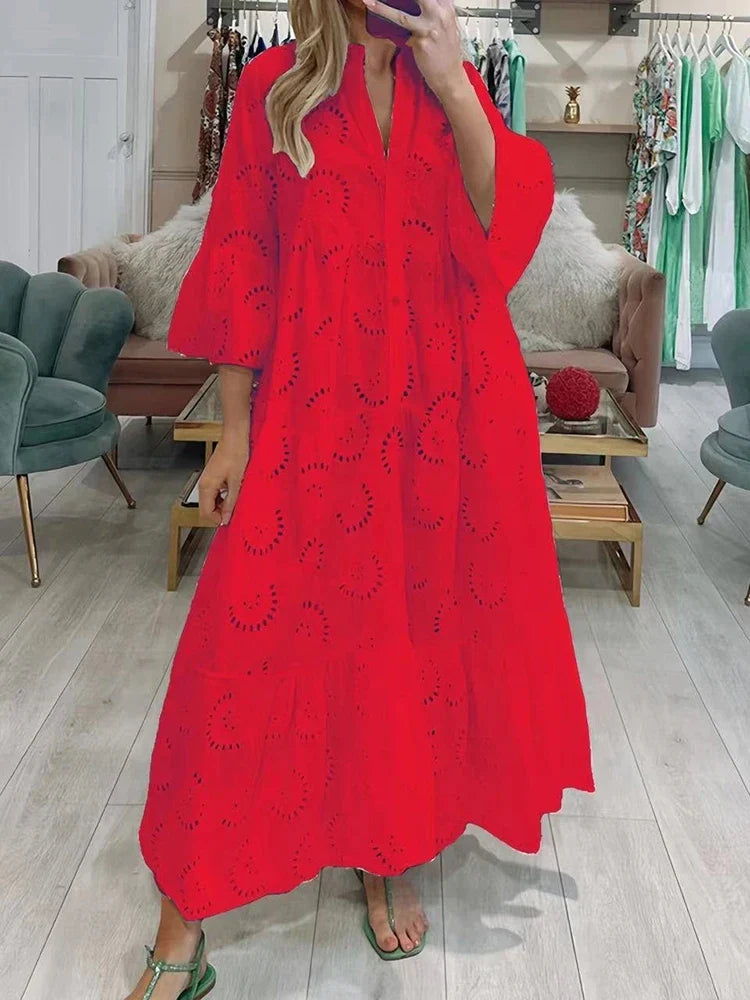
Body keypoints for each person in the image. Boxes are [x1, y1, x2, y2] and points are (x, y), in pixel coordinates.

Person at [129, 0, 594, 995]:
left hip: (445, 422)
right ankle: (180, 924)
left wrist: (455, 82)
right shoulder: (274, 89)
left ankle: (389, 850)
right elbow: (246, 263)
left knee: (409, 640)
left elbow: (505, 227)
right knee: (238, 650)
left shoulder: (448, 82)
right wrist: (236, 429)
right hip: (314, 416)